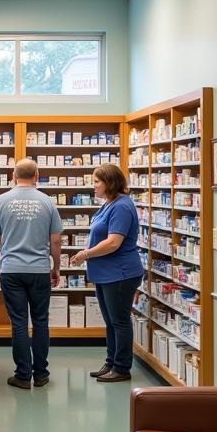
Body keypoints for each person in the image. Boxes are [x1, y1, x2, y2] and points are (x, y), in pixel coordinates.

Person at [0, 158, 62, 390]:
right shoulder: (47, 201)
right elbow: (56, 240)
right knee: (40, 321)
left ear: (13, 175)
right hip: (39, 269)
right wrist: (56, 267)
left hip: (11, 269)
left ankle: (22, 375)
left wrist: (8, 248)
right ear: (37, 175)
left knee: (18, 322)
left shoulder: (1, 200)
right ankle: (40, 375)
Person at [71, 163, 144, 383]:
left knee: (119, 321)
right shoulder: (108, 204)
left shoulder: (122, 206)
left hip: (120, 273)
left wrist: (85, 254)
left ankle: (122, 368)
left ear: (109, 183)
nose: (93, 186)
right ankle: (111, 362)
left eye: (96, 181)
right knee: (111, 321)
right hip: (106, 273)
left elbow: (113, 243)